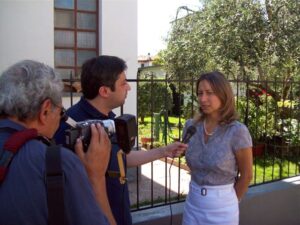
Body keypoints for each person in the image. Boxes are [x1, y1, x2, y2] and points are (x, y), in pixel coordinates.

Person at [55, 55, 188, 225]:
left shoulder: (109, 120)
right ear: (104, 91)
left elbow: (120, 158)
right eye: (123, 83)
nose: (129, 88)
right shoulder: (70, 128)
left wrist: (163, 151)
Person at [0, 60, 111, 225]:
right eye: (61, 111)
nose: (61, 118)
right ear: (45, 111)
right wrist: (96, 177)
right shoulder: (58, 163)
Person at [181, 71, 253, 225]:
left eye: (209, 93)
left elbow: (247, 175)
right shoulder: (190, 126)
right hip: (192, 205)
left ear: (223, 94)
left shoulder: (237, 131)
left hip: (222, 209)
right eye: (200, 93)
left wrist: (230, 202)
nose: (203, 99)